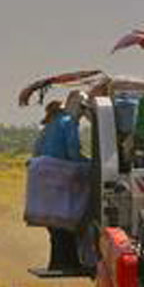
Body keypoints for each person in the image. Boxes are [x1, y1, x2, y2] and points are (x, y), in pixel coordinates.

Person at [33, 100, 83, 270]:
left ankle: (57, 262)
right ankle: (70, 262)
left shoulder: (48, 127)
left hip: (41, 177)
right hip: (59, 175)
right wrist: (86, 165)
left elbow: (36, 152)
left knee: (55, 225)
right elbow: (72, 151)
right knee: (69, 221)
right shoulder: (68, 122)